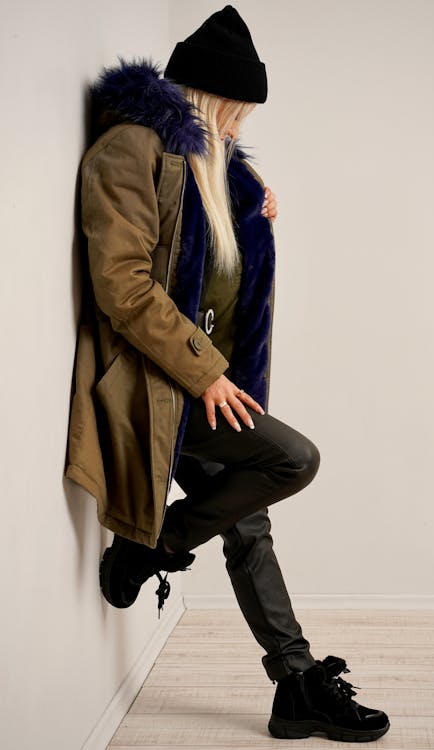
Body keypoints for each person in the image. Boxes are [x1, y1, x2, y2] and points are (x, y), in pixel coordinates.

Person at [64, 5, 390, 743]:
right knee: (294, 459)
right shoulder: (130, 150)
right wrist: (208, 375)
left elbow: (213, 269)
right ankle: (159, 544)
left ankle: (296, 684)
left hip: (203, 381)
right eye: (236, 112)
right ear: (210, 99)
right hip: (158, 386)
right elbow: (122, 285)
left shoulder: (214, 169)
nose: (239, 129)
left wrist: (252, 207)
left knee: (248, 524)